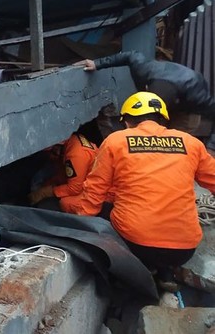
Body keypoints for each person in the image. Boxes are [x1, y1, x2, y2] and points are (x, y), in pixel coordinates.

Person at [66, 91, 215, 278]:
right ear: (163, 120)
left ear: (127, 121)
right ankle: (164, 273)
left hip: (136, 245)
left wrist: (80, 225)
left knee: (104, 209)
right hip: (184, 250)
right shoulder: (191, 143)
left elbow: (94, 193)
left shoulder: (116, 141)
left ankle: (136, 270)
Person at [74, 51, 215, 156]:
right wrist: (97, 63)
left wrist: (211, 146)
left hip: (185, 112)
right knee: (149, 136)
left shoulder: (196, 93)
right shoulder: (143, 70)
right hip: (164, 88)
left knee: (174, 146)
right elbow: (129, 55)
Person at [28, 132, 99, 213]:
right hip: (88, 182)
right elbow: (63, 174)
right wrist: (49, 184)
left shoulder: (76, 155)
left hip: (99, 193)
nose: (50, 157)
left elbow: (75, 189)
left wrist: (46, 192)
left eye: (51, 152)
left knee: (64, 203)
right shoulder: (71, 142)